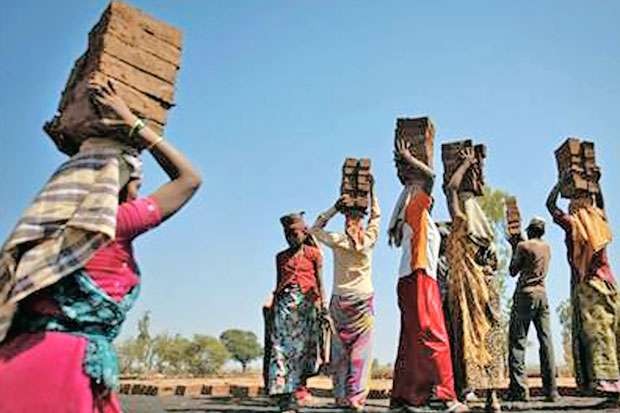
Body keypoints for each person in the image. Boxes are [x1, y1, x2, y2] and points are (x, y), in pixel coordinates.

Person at [0, 80, 202, 412]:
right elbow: (189, 179)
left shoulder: (42, 227)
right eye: (136, 182)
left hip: (14, 362)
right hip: (64, 372)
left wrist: (82, 152)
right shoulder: (113, 223)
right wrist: (135, 126)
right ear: (118, 184)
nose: (139, 192)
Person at [387, 140, 468, 413]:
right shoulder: (417, 208)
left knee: (411, 339)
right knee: (435, 335)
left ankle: (405, 397)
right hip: (420, 277)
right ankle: (444, 396)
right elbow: (432, 177)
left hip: (412, 278)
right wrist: (410, 158)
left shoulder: (421, 217)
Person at [309, 178, 380, 412]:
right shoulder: (369, 240)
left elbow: (314, 230)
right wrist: (373, 192)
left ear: (346, 219)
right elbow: (377, 218)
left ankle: (340, 396)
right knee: (362, 351)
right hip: (363, 300)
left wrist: (333, 209)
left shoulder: (338, 240)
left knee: (339, 351)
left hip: (340, 299)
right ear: (361, 220)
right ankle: (356, 398)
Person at [546, 175, 620, 397]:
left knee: (597, 334)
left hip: (589, 284)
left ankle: (607, 384)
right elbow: (601, 205)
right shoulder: (599, 220)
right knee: (613, 331)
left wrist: (560, 183)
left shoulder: (574, 223)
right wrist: (596, 186)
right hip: (610, 284)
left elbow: (550, 205)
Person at [443, 147, 502, 412]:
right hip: (487, 288)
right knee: (489, 338)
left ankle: (464, 392)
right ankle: (493, 398)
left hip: (467, 289)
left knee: (464, 335)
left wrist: (465, 164)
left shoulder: (462, 218)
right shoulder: (484, 226)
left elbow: (449, 188)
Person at [268, 213, 329, 413]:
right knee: (281, 350)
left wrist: (324, 306)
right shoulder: (280, 257)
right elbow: (278, 284)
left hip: (307, 308)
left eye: (294, 234)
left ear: (304, 233)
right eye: (287, 234)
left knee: (303, 353)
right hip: (284, 309)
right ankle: (285, 399)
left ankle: (297, 392)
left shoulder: (314, 254)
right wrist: (272, 304)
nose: (290, 238)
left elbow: (320, 282)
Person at [506, 217, 559, 402]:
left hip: (525, 294)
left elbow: (513, 270)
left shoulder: (524, 246)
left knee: (517, 341)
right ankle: (551, 390)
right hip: (542, 295)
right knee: (546, 341)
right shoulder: (547, 247)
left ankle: (519, 390)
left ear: (529, 230)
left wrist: (515, 245)